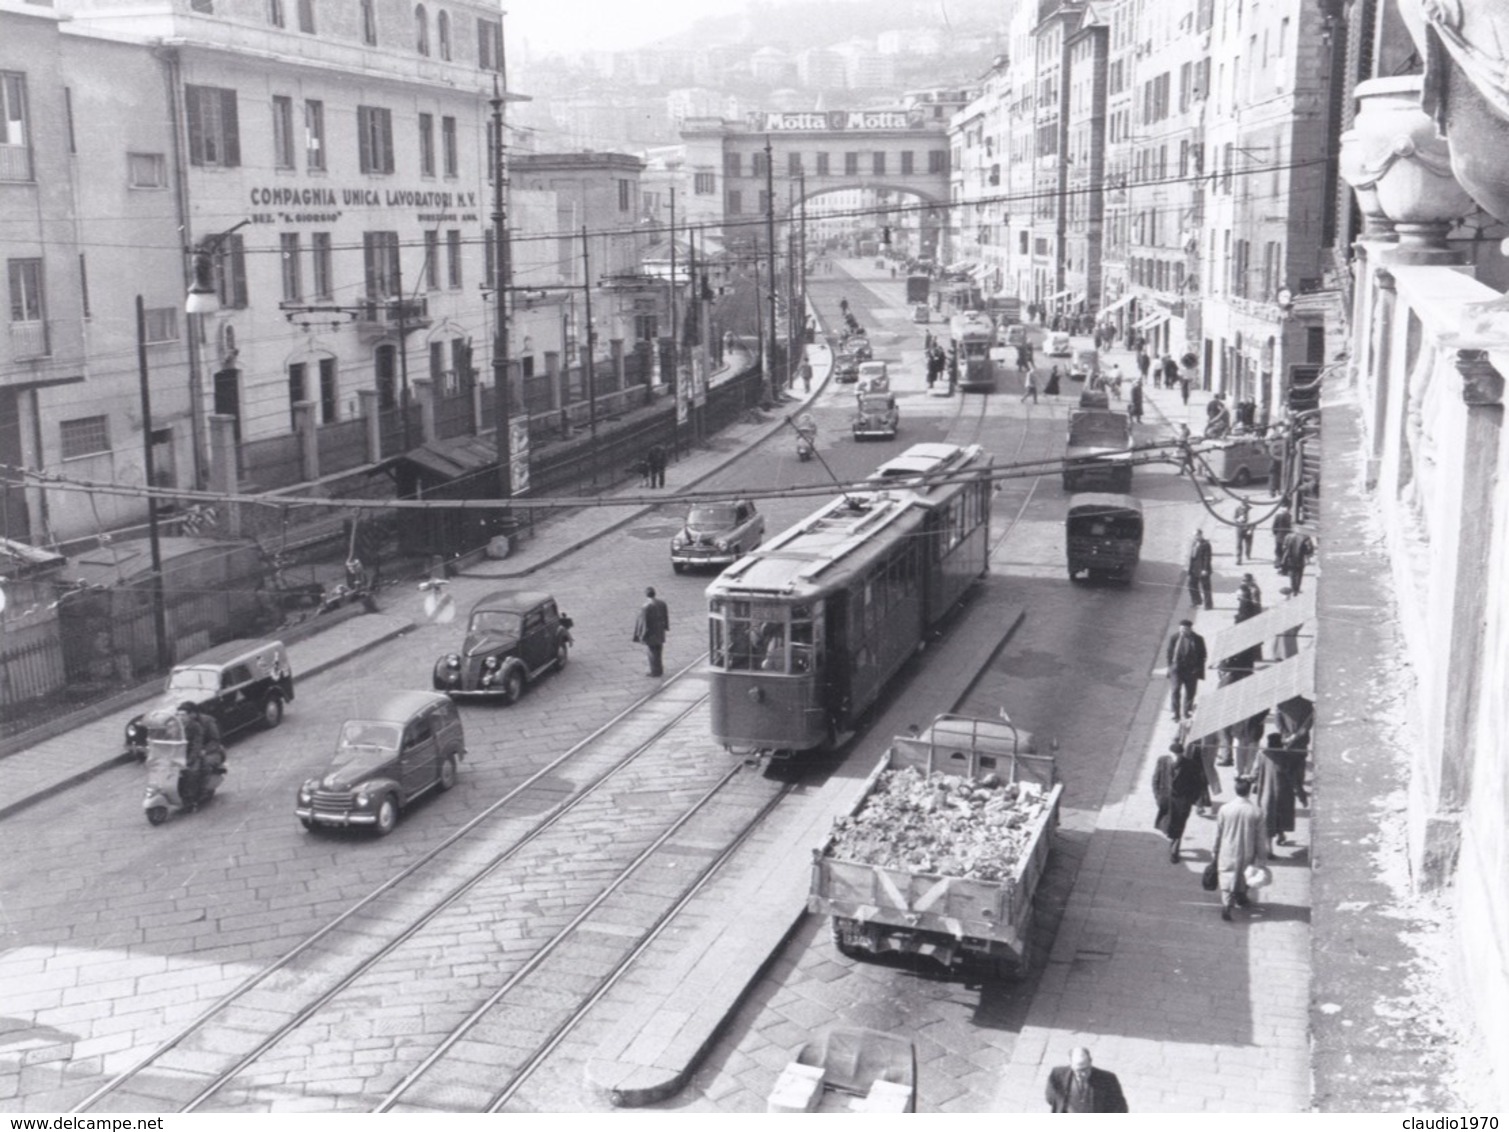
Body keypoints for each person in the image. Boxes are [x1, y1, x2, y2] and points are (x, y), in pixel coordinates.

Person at [1214, 775, 1269, 921]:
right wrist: (1262, 857)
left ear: (1235, 790)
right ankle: (1241, 897)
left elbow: (1218, 833)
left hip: (1227, 848)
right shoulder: (1257, 811)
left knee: (1227, 875)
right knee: (1245, 875)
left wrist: (1215, 850)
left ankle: (1227, 904)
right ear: (1249, 792)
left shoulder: (1225, 809)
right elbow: (1260, 838)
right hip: (1247, 849)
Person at [1153, 740, 1209, 862]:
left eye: (1179, 755)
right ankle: (1172, 840)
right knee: (1168, 825)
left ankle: (1174, 850)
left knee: (1179, 825)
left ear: (1182, 754)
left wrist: (1191, 800)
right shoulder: (1162, 761)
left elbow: (1199, 785)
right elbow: (1156, 779)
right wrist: (1158, 796)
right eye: (1174, 755)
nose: (1177, 758)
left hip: (1182, 802)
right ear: (1170, 754)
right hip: (1167, 800)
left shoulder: (1191, 765)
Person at [1256, 731, 1307, 851]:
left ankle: (1269, 848)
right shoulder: (1286, 757)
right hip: (1284, 794)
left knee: (1269, 819)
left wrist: (1247, 780)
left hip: (1267, 793)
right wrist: (1302, 797)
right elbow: (1294, 779)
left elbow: (1256, 772)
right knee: (1281, 816)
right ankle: (1280, 835)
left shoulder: (1263, 755)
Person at [1045, 1047, 1128, 1113]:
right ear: (1071, 1064)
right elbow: (1050, 1098)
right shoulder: (1057, 1074)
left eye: (1085, 1069)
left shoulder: (1107, 1079)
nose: (1083, 1074)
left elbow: (1119, 1107)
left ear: (1090, 1061)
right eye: (1078, 1071)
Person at [1165, 618, 1207, 722]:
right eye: (1181, 629)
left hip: (1191, 669)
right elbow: (1169, 653)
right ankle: (1176, 713)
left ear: (1190, 629)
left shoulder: (1198, 639)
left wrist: (1197, 668)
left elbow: (1203, 654)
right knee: (1175, 690)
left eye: (1185, 629)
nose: (1182, 631)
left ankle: (1186, 711)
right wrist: (1171, 667)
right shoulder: (1174, 638)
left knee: (1190, 692)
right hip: (1177, 669)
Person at [633, 586, 669, 677]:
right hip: (660, 631)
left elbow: (643, 622)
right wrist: (666, 627)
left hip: (651, 633)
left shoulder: (646, 607)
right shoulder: (662, 603)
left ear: (646, 594)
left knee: (652, 652)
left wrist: (641, 635)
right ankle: (660, 669)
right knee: (659, 651)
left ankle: (655, 671)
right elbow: (666, 616)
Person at [1279, 528, 1314, 595]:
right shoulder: (1305, 537)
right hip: (1300, 558)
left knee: (1292, 573)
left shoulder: (1288, 536)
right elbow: (1309, 548)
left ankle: (1293, 587)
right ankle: (1297, 589)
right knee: (1299, 573)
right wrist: (1306, 554)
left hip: (1290, 557)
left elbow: (1284, 547)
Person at [1187, 529, 1214, 610]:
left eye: (1196, 535)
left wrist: (1205, 569)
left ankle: (1208, 605)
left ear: (1201, 535)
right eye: (1194, 535)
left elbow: (1207, 558)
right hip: (1194, 568)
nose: (1194, 537)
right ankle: (1196, 601)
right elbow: (1192, 556)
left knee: (1206, 587)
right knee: (1191, 585)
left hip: (1202, 569)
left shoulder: (1206, 544)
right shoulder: (1194, 543)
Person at [1272, 502, 1294, 568]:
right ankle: (1284, 568)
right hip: (1287, 538)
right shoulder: (1290, 517)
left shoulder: (1278, 516)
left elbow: (1274, 527)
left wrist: (1276, 534)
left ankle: (1278, 565)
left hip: (1279, 537)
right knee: (1286, 553)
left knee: (1278, 552)